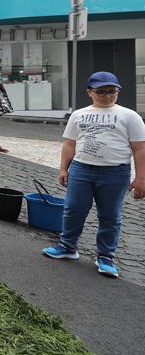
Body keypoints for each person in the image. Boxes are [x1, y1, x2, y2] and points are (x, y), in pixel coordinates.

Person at [43, 72, 145, 279]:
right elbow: (70, 143)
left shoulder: (129, 116)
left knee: (109, 215)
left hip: (115, 172)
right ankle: (68, 246)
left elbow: (140, 148)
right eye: (101, 92)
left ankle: (106, 256)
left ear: (117, 92)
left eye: (112, 91)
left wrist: (141, 177)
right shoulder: (78, 114)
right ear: (89, 92)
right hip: (81, 169)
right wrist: (64, 168)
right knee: (73, 209)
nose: (107, 96)